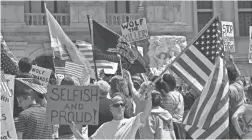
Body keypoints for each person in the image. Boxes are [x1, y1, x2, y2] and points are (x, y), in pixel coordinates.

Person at [70, 82, 154, 139]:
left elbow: (146, 112)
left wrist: (149, 96)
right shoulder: (104, 127)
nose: (120, 107)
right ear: (111, 108)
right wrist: (75, 131)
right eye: (117, 105)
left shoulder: (132, 122)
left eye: (122, 104)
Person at [161, 74, 185, 139]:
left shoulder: (169, 96)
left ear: (166, 84)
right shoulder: (179, 94)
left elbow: (166, 115)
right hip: (179, 125)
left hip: (172, 126)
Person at [227, 55, 246, 139]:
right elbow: (239, 74)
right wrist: (233, 62)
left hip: (233, 120)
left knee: (235, 136)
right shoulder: (240, 84)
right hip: (242, 118)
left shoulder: (229, 89)